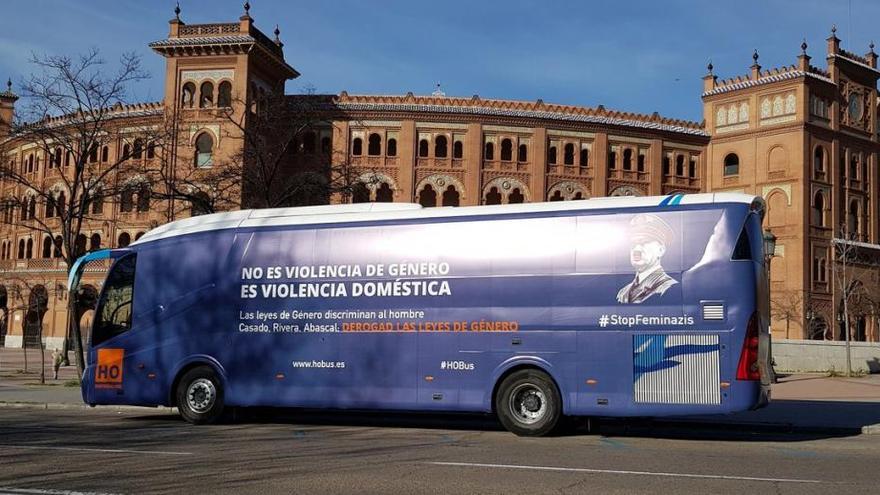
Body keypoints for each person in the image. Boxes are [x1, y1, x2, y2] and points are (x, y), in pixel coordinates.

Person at [616, 213, 678, 304]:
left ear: (660, 250)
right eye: (633, 244)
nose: (636, 249)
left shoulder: (668, 288)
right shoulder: (623, 292)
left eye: (644, 243)